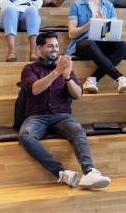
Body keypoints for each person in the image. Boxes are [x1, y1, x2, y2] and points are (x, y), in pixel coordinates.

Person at [18, 31, 111, 189]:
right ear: (39, 49)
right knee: (25, 136)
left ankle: (89, 172)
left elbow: (77, 95)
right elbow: (35, 89)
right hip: (37, 116)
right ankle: (62, 173)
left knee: (77, 130)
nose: (54, 49)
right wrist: (57, 72)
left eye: (56, 46)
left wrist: (67, 77)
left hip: (62, 116)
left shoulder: (65, 69)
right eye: (50, 46)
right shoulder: (29, 69)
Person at [67, 0, 126, 94]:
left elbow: (111, 33)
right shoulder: (76, 5)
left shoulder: (108, 5)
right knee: (90, 43)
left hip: (102, 41)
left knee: (123, 46)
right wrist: (89, 24)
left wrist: (105, 26)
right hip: (83, 43)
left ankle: (93, 79)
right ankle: (119, 77)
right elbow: (72, 34)